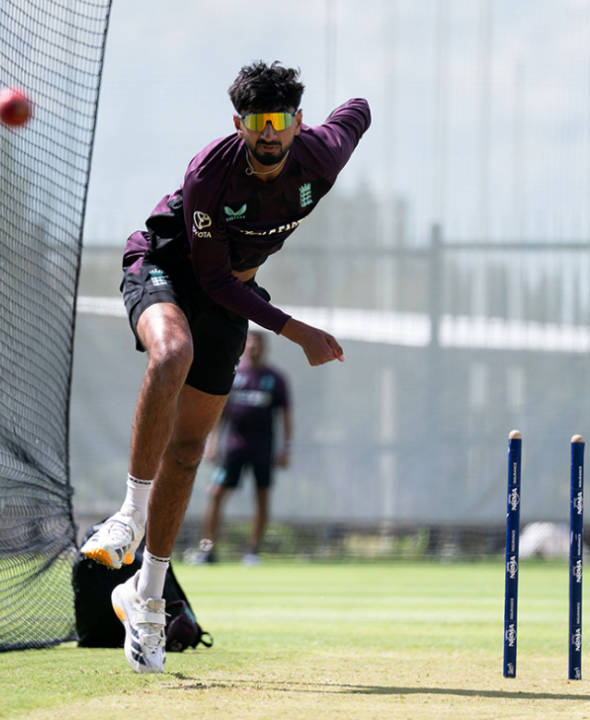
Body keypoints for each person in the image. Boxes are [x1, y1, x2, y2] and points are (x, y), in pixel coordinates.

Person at [80, 61, 369, 672]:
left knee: (187, 453)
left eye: (281, 121)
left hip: (229, 298)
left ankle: (145, 601)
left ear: (296, 121)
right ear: (238, 123)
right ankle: (129, 515)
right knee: (172, 353)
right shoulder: (211, 172)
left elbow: (359, 111)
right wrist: (297, 331)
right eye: (258, 122)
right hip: (165, 268)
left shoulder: (319, 155)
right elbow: (209, 277)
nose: (270, 135)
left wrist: (338, 119)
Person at [189, 330, 291, 566]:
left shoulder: (275, 379)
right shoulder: (234, 376)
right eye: (250, 344)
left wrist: (286, 448)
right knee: (215, 494)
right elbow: (219, 413)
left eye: (258, 344)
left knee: (262, 497)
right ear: (245, 346)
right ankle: (208, 548)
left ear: (264, 348)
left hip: (262, 450)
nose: (254, 348)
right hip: (233, 449)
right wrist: (212, 442)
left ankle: (253, 550)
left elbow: (286, 416)